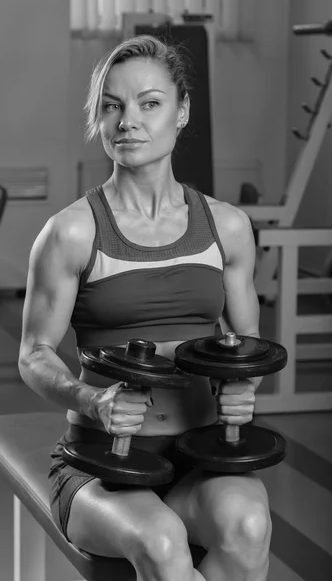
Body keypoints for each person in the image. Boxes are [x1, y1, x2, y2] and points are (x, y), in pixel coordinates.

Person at [19, 35, 271, 581]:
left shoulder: (226, 227)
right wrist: (91, 399)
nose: (127, 121)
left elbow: (248, 349)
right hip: (100, 463)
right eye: (112, 105)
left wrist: (243, 389)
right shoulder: (71, 231)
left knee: (248, 527)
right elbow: (34, 354)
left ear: (181, 112)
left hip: (204, 458)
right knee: (160, 542)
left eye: (149, 103)